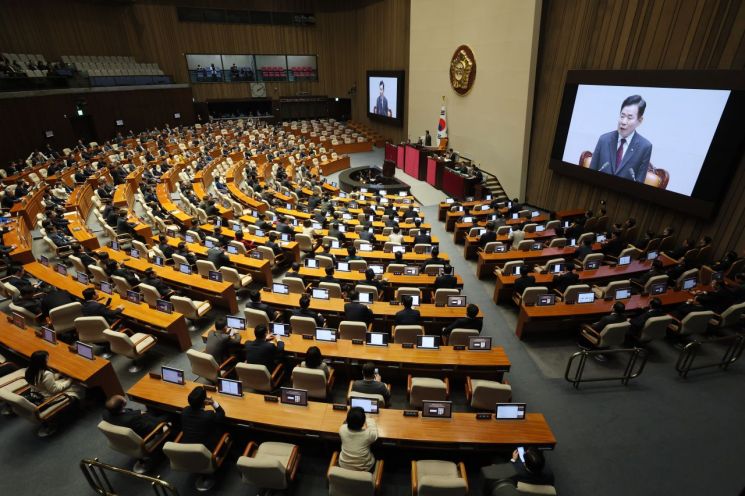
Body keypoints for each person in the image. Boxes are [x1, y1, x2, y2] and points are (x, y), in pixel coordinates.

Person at [589, 94, 653, 183]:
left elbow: (639, 184)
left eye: (629, 118)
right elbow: (590, 174)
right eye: (622, 116)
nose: (623, 122)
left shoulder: (645, 147)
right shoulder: (604, 140)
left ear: (640, 120)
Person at [103, 395, 168, 437]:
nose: (124, 397)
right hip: (145, 433)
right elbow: (152, 426)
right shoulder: (132, 419)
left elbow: (130, 413)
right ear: (123, 405)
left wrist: (141, 414)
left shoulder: (105, 413)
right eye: (123, 398)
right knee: (169, 415)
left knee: (152, 408)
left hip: (133, 423)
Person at [338, 406, 378, 472]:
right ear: (363, 422)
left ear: (348, 420)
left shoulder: (342, 429)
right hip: (363, 468)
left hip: (343, 465)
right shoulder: (369, 434)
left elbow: (345, 424)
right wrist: (369, 419)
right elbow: (374, 431)